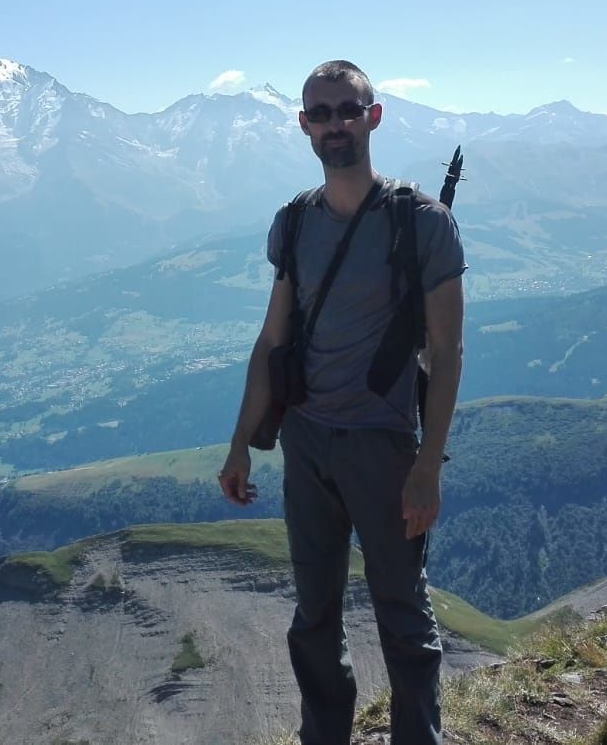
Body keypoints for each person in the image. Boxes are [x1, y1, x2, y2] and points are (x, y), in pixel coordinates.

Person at [219, 59, 466, 745]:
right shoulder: (295, 223)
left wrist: (429, 466)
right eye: (321, 113)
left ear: (373, 117)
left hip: (384, 450)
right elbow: (273, 338)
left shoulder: (423, 224)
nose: (335, 124)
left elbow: (446, 355)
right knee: (314, 614)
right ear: (303, 126)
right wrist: (241, 442)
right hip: (306, 440)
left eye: (347, 110)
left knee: (403, 614)